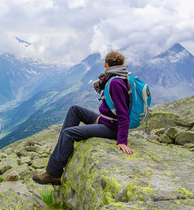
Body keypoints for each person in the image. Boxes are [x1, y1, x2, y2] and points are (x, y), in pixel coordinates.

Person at [32, 50, 134, 185]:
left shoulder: (115, 83)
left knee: (68, 133)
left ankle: (54, 173)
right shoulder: (118, 78)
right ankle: (62, 149)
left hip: (111, 127)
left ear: (105, 64)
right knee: (75, 110)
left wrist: (122, 140)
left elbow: (123, 114)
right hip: (106, 120)